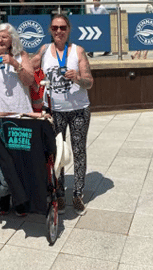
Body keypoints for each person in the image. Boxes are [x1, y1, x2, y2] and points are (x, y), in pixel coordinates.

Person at [31, 14, 94, 216]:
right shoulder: (43, 51)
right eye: (55, 28)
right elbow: (27, 69)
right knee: (56, 153)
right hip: (54, 111)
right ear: (50, 30)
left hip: (78, 111)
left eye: (63, 27)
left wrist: (77, 78)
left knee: (78, 151)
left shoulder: (78, 51)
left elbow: (90, 82)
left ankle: (77, 194)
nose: (59, 31)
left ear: (68, 29)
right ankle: (59, 192)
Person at [0, 23, 36, 216]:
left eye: (4, 37)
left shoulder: (22, 55)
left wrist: (14, 63)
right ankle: (4, 197)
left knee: (19, 158)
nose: (0, 40)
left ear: (12, 39)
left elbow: (30, 81)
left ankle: (20, 199)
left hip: (19, 114)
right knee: (0, 158)